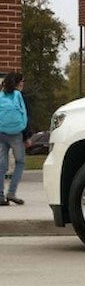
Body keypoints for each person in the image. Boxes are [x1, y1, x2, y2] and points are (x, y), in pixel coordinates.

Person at [0, 72, 28, 205]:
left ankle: (0, 196)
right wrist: (27, 136)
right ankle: (11, 193)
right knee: (20, 162)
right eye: (22, 81)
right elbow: (25, 115)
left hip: (1, 133)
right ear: (17, 83)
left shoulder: (1, 95)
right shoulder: (18, 95)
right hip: (16, 134)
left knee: (2, 165)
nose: (23, 83)